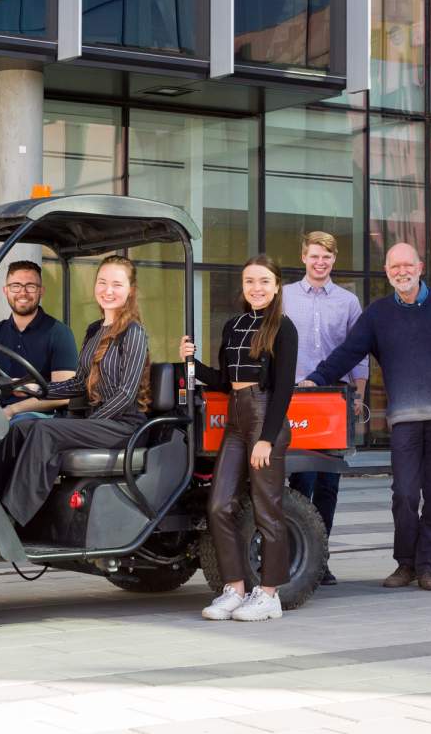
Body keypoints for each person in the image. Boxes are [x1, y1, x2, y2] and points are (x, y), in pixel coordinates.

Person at [300, 243, 431, 591]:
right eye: (394, 267)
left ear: (420, 267)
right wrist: (316, 379)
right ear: (386, 271)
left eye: (407, 265)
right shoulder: (378, 314)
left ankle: (428, 567)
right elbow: (348, 352)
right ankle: (405, 564)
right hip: (404, 419)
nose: (401, 272)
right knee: (405, 494)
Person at [0, 255, 150, 526]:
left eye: (117, 285)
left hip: (122, 425)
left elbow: (125, 394)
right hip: (97, 422)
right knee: (17, 430)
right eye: (103, 282)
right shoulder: (95, 330)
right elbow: (78, 383)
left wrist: (87, 425)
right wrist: (40, 389)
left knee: (43, 429)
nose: (108, 290)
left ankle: (11, 519)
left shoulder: (133, 332)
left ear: (130, 290)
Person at [182, 254, 298, 623]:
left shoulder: (284, 328)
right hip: (236, 415)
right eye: (250, 281)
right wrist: (192, 363)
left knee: (268, 509)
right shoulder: (234, 325)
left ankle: (269, 595)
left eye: (264, 281)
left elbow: (284, 389)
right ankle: (235, 588)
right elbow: (223, 379)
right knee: (219, 505)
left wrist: (267, 438)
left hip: (266, 416)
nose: (256, 288)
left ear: (277, 285)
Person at [282, 231, 367, 585]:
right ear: (304, 256)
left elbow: (358, 350)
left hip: (335, 398)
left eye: (327, 257)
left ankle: (321, 558)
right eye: (315, 256)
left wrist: (360, 394)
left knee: (329, 482)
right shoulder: (283, 296)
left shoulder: (348, 301)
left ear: (334, 260)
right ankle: (299, 553)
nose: (321, 262)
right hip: (296, 396)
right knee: (302, 476)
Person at [0, 260, 78, 422]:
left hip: (42, 417)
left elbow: (64, 395)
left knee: (18, 425)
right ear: (6, 290)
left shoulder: (59, 333)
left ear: (41, 291)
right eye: (15, 286)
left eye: (30, 286)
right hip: (0, 414)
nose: (22, 293)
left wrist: (13, 410)